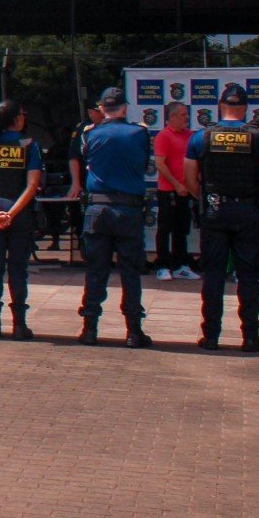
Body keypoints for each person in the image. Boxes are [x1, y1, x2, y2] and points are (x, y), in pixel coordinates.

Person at [183, 83, 259, 351]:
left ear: (220, 107)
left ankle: (211, 336)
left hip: (215, 211)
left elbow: (190, 179)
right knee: (249, 276)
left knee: (213, 274)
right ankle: (250, 336)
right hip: (249, 210)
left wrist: (206, 197)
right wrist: (255, 197)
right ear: (246, 108)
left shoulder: (201, 137)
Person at [78, 88, 154, 347]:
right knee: (130, 272)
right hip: (128, 210)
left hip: (97, 210)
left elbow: (86, 159)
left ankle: (89, 329)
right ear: (123, 108)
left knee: (95, 271)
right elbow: (144, 164)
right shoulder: (139, 133)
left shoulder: (90, 133)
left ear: (102, 110)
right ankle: (133, 331)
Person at [0, 99, 44, 339]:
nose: (24, 118)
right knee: (17, 267)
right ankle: (19, 325)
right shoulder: (29, 145)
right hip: (18, 214)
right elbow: (33, 184)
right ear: (16, 119)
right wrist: (11, 214)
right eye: (22, 114)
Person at [152, 102, 197, 280]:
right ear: (172, 117)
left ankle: (180, 265)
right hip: (168, 190)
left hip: (185, 190)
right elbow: (160, 164)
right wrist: (176, 184)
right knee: (165, 228)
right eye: (183, 115)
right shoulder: (163, 136)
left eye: (187, 114)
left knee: (182, 228)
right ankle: (163, 265)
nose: (187, 118)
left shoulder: (190, 135)